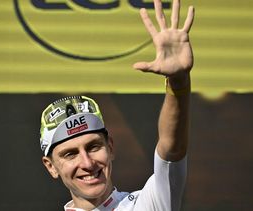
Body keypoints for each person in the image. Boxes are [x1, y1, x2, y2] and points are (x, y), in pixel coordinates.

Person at [39, 0, 194, 210]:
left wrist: (178, 82)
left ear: (110, 147)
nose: (87, 163)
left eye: (93, 147)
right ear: (51, 167)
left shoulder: (148, 204)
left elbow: (171, 150)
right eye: (70, 154)